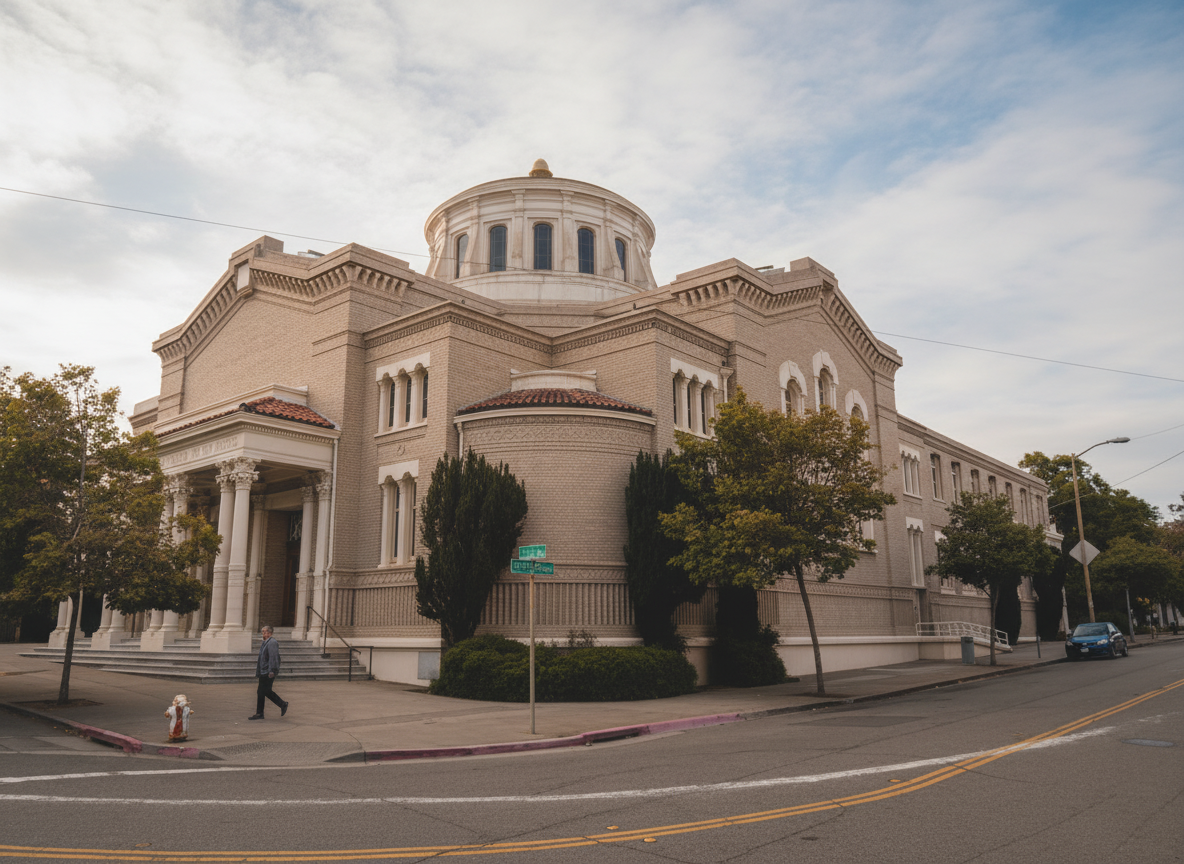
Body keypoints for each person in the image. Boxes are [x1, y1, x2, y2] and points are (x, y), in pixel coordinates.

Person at [249, 625, 289, 720]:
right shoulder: (265, 642)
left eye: (266, 632)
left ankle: (281, 704)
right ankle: (261, 713)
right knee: (262, 691)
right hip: (264, 671)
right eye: (263, 632)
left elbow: (273, 657)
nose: (264, 634)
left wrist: (272, 670)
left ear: (270, 633)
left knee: (264, 691)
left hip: (268, 671)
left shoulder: (272, 643)